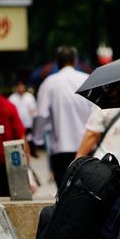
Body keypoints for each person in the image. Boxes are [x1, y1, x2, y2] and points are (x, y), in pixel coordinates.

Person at [34, 46, 93, 186]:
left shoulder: (49, 83)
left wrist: (36, 140)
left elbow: (41, 114)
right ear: (75, 61)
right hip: (87, 146)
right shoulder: (88, 80)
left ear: (57, 62)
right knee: (86, 190)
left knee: (63, 191)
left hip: (60, 147)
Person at [8, 80, 37, 155]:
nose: (20, 88)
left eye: (22, 86)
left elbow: (34, 110)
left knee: (28, 140)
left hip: (27, 124)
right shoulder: (12, 98)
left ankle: (29, 154)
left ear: (24, 87)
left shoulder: (29, 97)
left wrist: (33, 123)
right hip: (17, 125)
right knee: (19, 141)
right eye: (19, 86)